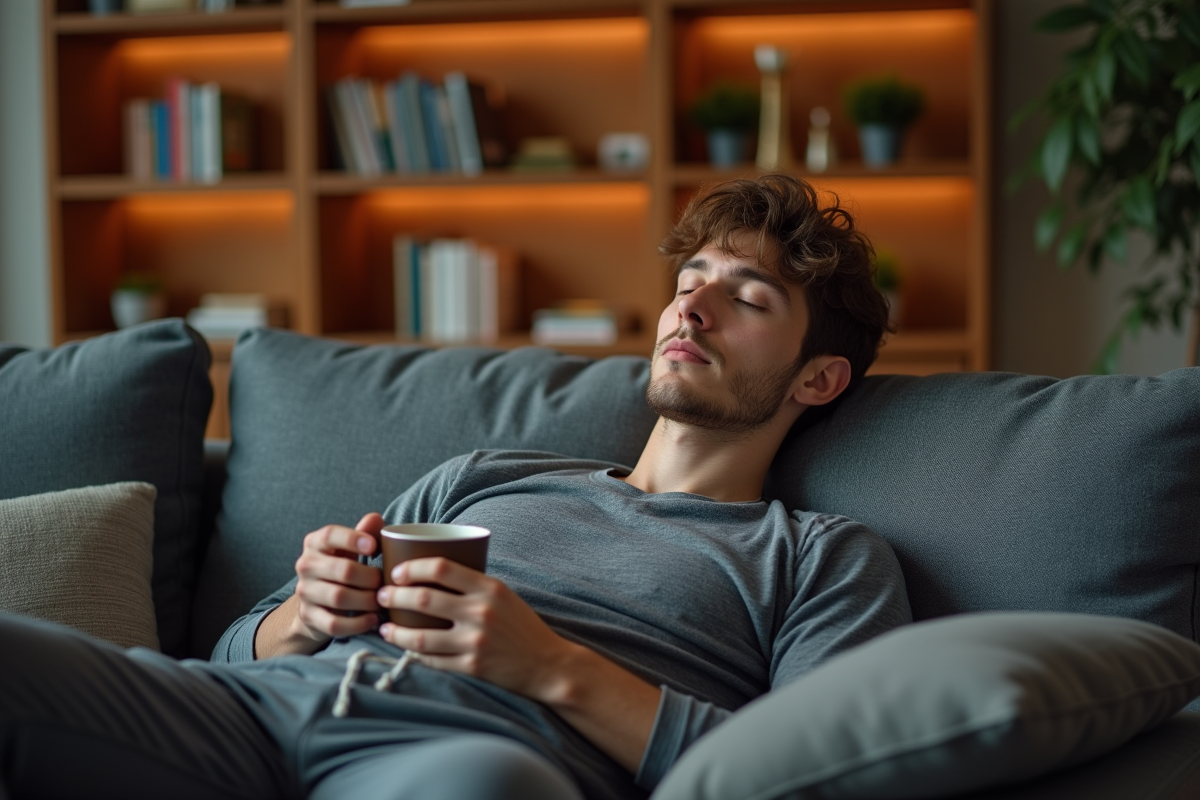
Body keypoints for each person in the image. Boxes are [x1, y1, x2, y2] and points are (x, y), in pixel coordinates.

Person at [0, 174, 911, 800]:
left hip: (462, 764)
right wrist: (307, 614)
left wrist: (550, 666)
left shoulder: (819, 557)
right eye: (690, 279)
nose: (691, 308)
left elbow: (808, 776)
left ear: (817, 379)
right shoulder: (484, 478)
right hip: (250, 715)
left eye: (747, 299)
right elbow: (235, 655)